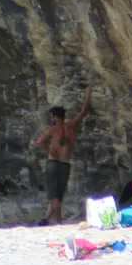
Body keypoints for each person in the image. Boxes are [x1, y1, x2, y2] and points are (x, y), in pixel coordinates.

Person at [31, 87, 91, 225]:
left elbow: (39, 142)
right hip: (65, 164)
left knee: (54, 196)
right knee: (59, 195)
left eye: (51, 116)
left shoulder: (53, 129)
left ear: (55, 116)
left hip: (53, 163)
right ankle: (46, 219)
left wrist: (48, 150)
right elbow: (84, 111)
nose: (51, 119)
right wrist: (88, 94)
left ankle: (59, 222)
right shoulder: (72, 126)